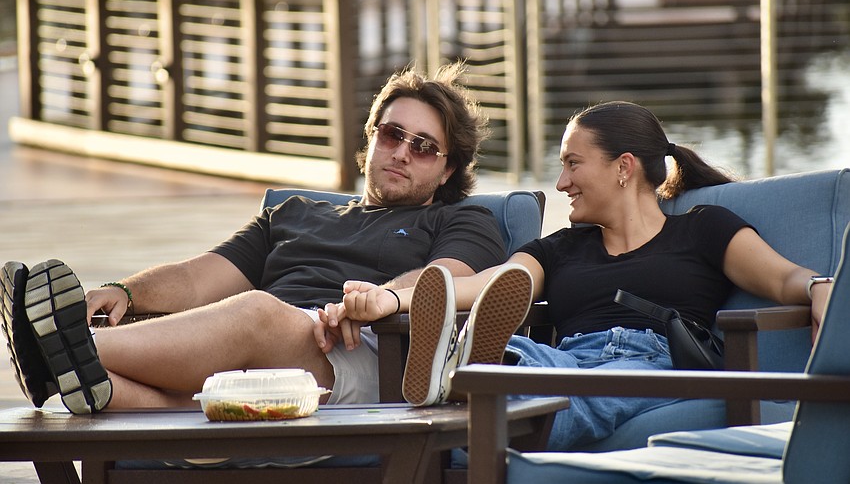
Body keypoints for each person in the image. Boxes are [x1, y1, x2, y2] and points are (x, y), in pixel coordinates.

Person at [0, 61, 508, 415]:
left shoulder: (461, 220)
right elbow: (197, 278)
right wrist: (126, 291)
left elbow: (445, 281)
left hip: (358, 354)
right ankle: (64, 365)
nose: (401, 153)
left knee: (257, 310)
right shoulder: (294, 214)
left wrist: (377, 299)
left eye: (424, 147)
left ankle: (53, 346)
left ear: (448, 170)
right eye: (392, 134)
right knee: (105, 387)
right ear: (371, 136)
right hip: (260, 362)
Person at [322, 100, 832, 451]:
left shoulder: (702, 229)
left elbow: (783, 278)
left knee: (569, 386)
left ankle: (465, 378)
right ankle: (474, 369)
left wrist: (819, 288)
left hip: (654, 362)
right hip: (565, 356)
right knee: (531, 361)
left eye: (572, 164)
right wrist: (394, 300)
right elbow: (491, 284)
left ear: (623, 167)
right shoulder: (562, 247)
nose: (562, 182)